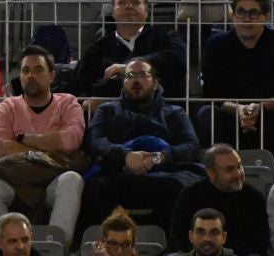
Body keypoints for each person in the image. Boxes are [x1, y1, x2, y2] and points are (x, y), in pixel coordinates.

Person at [0, 44, 88, 240]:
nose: (31, 75)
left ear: (51, 76)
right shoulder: (7, 106)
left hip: (54, 177)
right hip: (14, 178)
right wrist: (48, 149)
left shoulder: (68, 102)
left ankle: (55, 247)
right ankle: (13, 242)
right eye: (26, 70)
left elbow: (71, 140)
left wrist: (25, 139)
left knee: (72, 180)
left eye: (38, 70)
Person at [82, 56, 202, 228]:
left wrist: (158, 158)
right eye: (130, 75)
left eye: (142, 74)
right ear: (123, 83)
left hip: (166, 173)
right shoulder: (106, 110)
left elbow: (191, 145)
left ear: (155, 82)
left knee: (180, 187)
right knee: (96, 187)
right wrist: (126, 156)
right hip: (119, 173)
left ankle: (171, 247)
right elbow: (96, 142)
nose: (136, 80)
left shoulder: (175, 113)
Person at [198, 0, 274, 153]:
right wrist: (238, 109)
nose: (246, 18)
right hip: (229, 112)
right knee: (206, 113)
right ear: (233, 15)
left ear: (265, 16)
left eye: (253, 13)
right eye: (241, 12)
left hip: (269, 111)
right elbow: (210, 91)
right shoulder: (216, 44)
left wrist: (259, 108)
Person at [169, 145, 272, 256]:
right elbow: (177, 238)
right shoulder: (191, 195)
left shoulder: (254, 197)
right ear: (211, 173)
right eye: (230, 170)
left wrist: (222, 255)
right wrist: (203, 254)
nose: (239, 174)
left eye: (239, 167)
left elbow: (259, 241)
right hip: (196, 255)